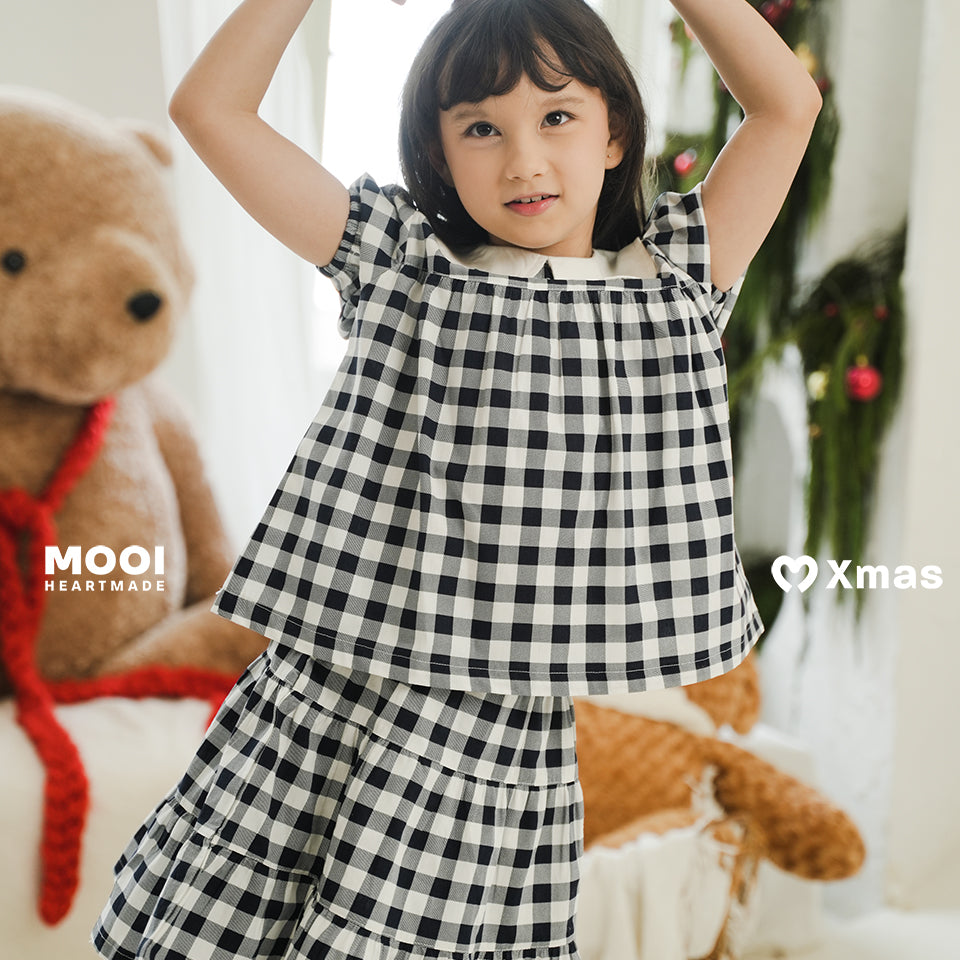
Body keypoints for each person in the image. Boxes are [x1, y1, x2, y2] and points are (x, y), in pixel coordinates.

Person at [92, 1, 821, 958]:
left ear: (614, 134)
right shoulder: (402, 265)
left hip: (498, 733)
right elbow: (211, 109)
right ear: (439, 154)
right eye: (481, 128)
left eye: (557, 116)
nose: (523, 160)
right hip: (328, 697)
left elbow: (787, 107)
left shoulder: (673, 283)